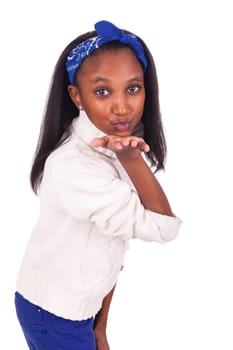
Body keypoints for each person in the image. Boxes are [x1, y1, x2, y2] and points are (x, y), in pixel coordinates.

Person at [15, 20, 182, 350]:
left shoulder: (112, 146)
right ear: (76, 96)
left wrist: (100, 327)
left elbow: (109, 252)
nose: (122, 107)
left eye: (133, 88)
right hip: (54, 314)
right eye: (103, 91)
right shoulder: (76, 167)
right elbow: (164, 229)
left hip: (78, 310)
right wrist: (132, 160)